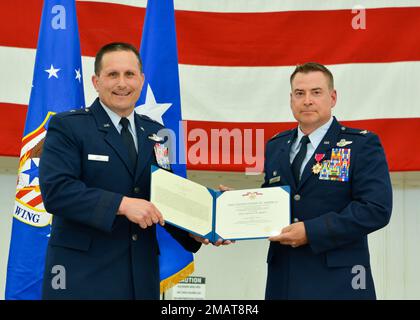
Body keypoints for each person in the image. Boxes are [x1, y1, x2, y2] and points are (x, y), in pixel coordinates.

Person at [39, 42, 207, 300]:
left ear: (141, 80)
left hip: (140, 279)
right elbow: (58, 191)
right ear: (96, 81)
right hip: (83, 278)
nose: (122, 83)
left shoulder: (156, 134)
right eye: (112, 75)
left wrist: (198, 227)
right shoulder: (68, 127)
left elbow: (165, 197)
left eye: (129, 75)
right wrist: (122, 204)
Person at [263, 62, 392, 299]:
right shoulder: (275, 146)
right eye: (300, 93)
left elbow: (376, 209)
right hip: (284, 280)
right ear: (291, 99)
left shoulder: (361, 145)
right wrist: (237, 207)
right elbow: (273, 202)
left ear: (332, 98)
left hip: (339, 282)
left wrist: (311, 231)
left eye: (316, 92)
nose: (307, 100)